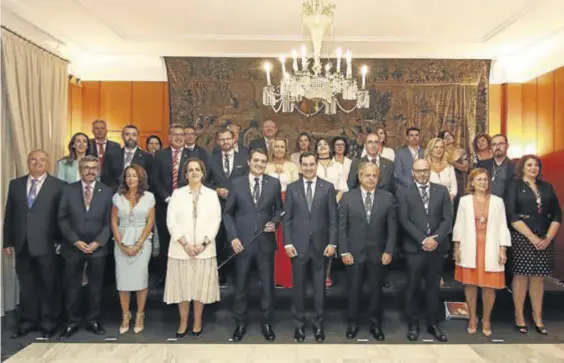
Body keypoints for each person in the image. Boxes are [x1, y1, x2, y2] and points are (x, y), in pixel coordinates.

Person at [3, 149, 65, 339]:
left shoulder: (59, 186)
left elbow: (63, 217)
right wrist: (8, 241)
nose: (37, 163)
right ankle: (28, 321)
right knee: (26, 285)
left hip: (47, 244)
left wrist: (61, 241)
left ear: (48, 163)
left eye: (41, 160)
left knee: (48, 284)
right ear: (28, 162)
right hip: (22, 244)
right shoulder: (16, 184)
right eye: (33, 159)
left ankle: (48, 322)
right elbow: (9, 215)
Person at [223, 149, 283, 342]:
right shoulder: (237, 184)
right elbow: (228, 213)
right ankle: (240, 323)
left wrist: (274, 222)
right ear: (249, 162)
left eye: (263, 161)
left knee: (267, 286)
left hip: (265, 244)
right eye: (256, 160)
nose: (259, 164)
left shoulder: (273, 183)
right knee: (241, 285)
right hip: (242, 244)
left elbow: (280, 211)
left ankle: (267, 322)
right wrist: (233, 238)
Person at [339, 162, 397, 341]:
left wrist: (389, 250)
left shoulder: (388, 198)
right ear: (360, 176)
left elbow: (392, 228)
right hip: (353, 252)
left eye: (374, 175)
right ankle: (352, 323)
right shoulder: (348, 197)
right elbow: (342, 227)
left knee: (376, 291)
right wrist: (344, 251)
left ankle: (375, 324)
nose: (371, 178)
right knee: (353, 290)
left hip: (378, 253)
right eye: (367, 175)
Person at [284, 152, 337, 342]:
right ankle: (298, 326)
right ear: (300, 166)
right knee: (298, 289)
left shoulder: (328, 187)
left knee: (318, 289)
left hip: (321, 247)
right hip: (297, 247)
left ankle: (318, 324)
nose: (308, 168)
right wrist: (287, 242)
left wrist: (332, 242)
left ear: (317, 165)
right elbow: (287, 219)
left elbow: (333, 219)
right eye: (304, 164)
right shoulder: (292, 188)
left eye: (311, 164)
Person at [165, 158, 222, 339]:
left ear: (203, 173)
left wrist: (203, 244)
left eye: (198, 169)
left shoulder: (212, 195)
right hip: (181, 250)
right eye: (191, 170)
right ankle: (183, 321)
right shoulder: (177, 194)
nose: (194, 173)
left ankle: (197, 320)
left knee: (199, 288)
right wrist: (186, 244)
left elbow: (216, 221)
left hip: (204, 250)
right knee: (183, 288)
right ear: (185, 174)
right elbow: (171, 222)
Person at [57, 156, 113, 339]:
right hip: (73, 247)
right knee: (72, 285)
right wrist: (75, 241)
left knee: (96, 287)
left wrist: (98, 242)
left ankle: (93, 320)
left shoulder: (106, 191)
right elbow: (62, 218)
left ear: (98, 170)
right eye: (86, 168)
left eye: (94, 168)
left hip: (98, 247)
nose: (90, 171)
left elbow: (109, 222)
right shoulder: (68, 190)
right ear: (80, 170)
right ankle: (72, 321)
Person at [397, 158, 452, 342]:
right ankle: (413, 324)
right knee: (412, 287)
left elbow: (447, 219)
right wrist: (422, 239)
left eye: (425, 170)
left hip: (436, 248)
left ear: (430, 171)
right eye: (418, 171)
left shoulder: (442, 191)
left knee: (433, 288)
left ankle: (433, 324)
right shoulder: (404, 191)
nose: (422, 174)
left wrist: (435, 239)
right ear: (412, 172)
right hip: (415, 248)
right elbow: (404, 220)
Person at [506, 155, 561, 335]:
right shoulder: (514, 185)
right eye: (529, 165)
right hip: (523, 237)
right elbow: (512, 215)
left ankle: (537, 318)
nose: (533, 168)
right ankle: (519, 316)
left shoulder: (547, 187)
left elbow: (556, 214)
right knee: (521, 277)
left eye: (536, 165)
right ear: (522, 167)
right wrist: (532, 238)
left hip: (545, 238)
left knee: (538, 279)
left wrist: (548, 237)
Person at [453, 168, 511, 336]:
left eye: (485, 180)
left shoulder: (498, 201)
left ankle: (486, 319)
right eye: (479, 179)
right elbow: (459, 224)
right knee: (470, 285)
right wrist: (456, 247)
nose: (483, 183)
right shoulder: (464, 201)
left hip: (491, 247)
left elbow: (502, 226)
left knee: (488, 286)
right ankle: (472, 318)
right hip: (470, 246)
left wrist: (503, 249)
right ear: (471, 182)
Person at [111, 165, 155, 335]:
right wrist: (121, 243)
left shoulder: (149, 197)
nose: (131, 179)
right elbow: (114, 222)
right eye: (128, 176)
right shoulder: (117, 197)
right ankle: (125, 315)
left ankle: (140, 315)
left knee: (140, 279)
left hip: (142, 241)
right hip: (121, 240)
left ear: (140, 178)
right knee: (123, 281)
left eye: (134, 176)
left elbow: (150, 222)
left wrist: (139, 244)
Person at [207, 128, 250, 285]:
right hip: (216, 206)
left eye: (228, 139)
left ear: (234, 140)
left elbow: (249, 180)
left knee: (237, 239)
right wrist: (216, 190)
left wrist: (234, 192)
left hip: (239, 207)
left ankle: (238, 273)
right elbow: (204, 182)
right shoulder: (212, 160)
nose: (225, 142)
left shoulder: (244, 159)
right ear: (218, 141)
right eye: (222, 139)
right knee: (219, 240)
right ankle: (220, 273)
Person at [151, 124, 191, 284]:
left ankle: (182, 276)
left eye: (182, 134)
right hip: (164, 206)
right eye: (175, 134)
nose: (179, 137)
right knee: (165, 240)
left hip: (185, 208)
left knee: (183, 240)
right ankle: (165, 276)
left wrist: (181, 200)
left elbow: (197, 180)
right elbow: (154, 179)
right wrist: (167, 198)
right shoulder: (160, 155)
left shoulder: (191, 155)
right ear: (169, 137)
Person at [265, 137, 299, 288]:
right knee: (271, 242)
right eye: (276, 146)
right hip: (270, 206)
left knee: (286, 240)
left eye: (281, 147)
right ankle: (271, 277)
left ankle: (286, 278)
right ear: (272, 148)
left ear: (286, 149)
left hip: (288, 204)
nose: (279, 149)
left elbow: (296, 187)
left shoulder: (292, 166)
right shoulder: (266, 166)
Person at [315, 137, 347, 287]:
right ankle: (316, 273)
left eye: (325, 144)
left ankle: (327, 274)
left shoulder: (338, 166)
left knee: (330, 240)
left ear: (330, 148)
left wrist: (333, 203)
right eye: (319, 145)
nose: (322, 146)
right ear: (316, 149)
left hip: (335, 205)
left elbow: (342, 188)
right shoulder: (312, 165)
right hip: (315, 206)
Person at [101, 125, 152, 191]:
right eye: (127, 134)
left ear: (138, 137)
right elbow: (105, 177)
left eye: (134, 135)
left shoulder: (147, 157)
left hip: (138, 195)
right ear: (122, 136)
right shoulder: (111, 155)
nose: (130, 137)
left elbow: (150, 179)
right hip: (115, 194)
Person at [476, 134, 515, 199]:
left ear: (507, 146)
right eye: (494, 144)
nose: (497, 147)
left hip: (506, 206)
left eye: (501, 144)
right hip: (485, 204)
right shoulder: (482, 165)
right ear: (491, 147)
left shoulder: (515, 167)